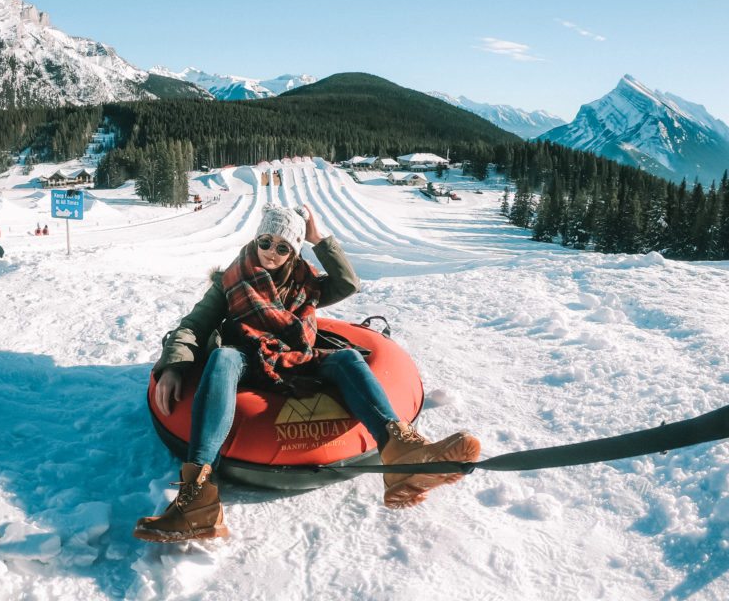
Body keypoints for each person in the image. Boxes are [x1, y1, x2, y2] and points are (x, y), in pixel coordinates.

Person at [134, 203, 480, 543]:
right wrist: (175, 365)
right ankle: (197, 496)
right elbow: (193, 326)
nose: (270, 252)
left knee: (346, 359)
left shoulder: (306, 284)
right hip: (245, 356)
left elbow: (348, 283)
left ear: (294, 251)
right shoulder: (231, 281)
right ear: (256, 239)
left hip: (297, 356)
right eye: (265, 241)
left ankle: (403, 453)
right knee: (223, 358)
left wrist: (318, 238)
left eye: (283, 247)